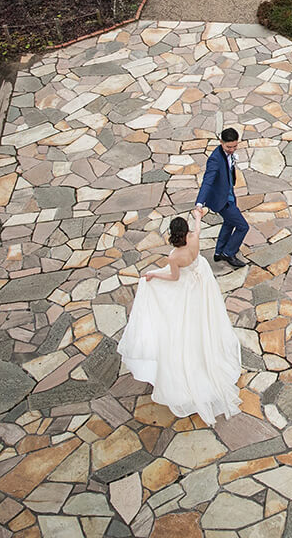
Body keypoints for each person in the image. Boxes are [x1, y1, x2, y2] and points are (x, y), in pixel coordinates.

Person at [117, 212, 242, 425]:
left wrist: (154, 274)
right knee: (204, 319)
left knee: (183, 324)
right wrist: (198, 217)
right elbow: (199, 229)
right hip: (202, 282)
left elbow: (174, 277)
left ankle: (190, 365)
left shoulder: (174, 257)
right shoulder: (194, 239)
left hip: (188, 286)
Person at [195, 127, 250, 268]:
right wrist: (199, 203)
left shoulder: (228, 153)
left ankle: (219, 252)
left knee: (229, 223)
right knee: (243, 226)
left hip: (229, 194)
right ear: (221, 142)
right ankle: (228, 253)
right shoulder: (215, 159)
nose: (232, 149)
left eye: (235, 146)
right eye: (229, 147)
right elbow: (207, 181)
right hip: (222, 200)